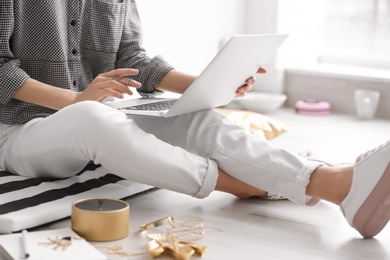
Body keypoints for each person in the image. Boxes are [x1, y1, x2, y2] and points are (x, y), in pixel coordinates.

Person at [0, 0, 389, 239]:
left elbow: (132, 58)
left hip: (93, 112)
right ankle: (239, 184)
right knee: (91, 117)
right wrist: (75, 98)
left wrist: (208, 82)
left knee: (190, 117)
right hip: (19, 130)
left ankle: (330, 184)